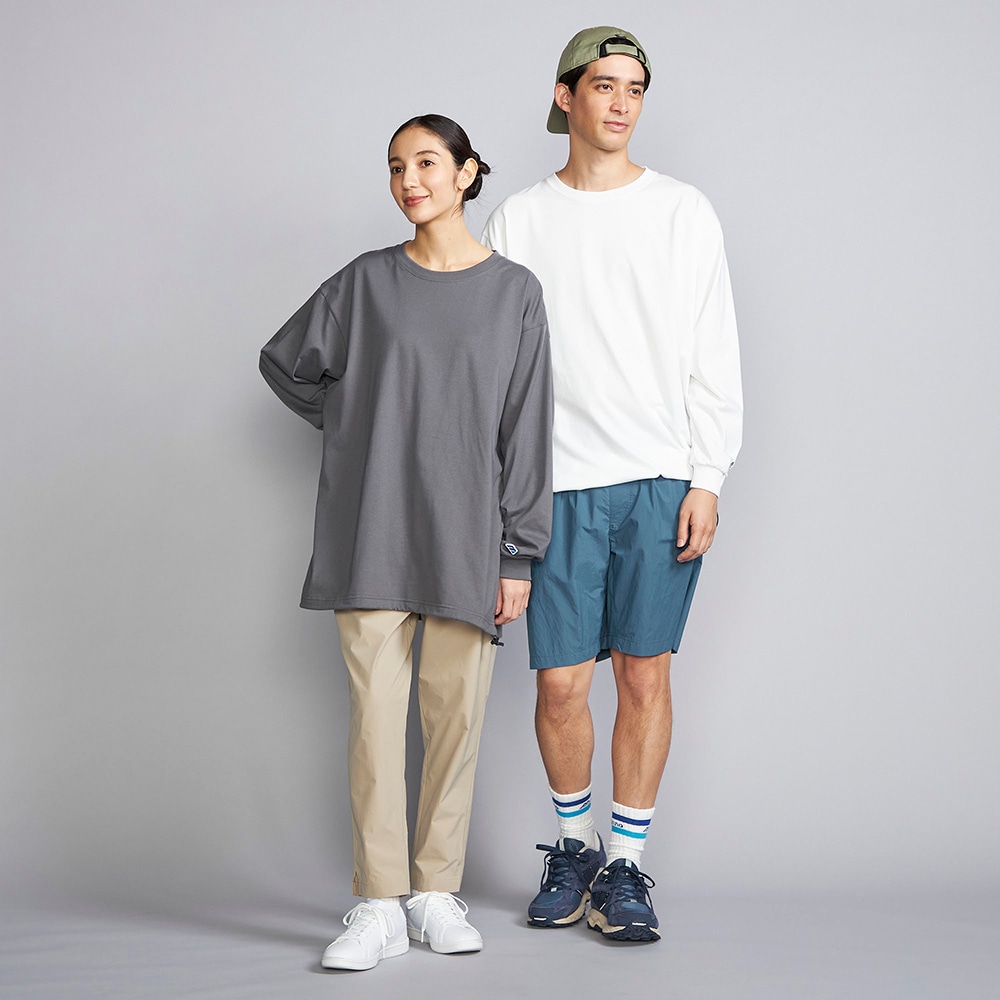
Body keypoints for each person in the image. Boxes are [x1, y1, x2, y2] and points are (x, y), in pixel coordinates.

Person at [260, 114, 552, 971]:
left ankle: (435, 892)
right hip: (372, 529)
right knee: (375, 724)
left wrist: (517, 551)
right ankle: (379, 902)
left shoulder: (514, 293)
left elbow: (526, 427)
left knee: (455, 721)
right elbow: (285, 362)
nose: (409, 180)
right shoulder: (364, 283)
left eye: (426, 163)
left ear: (467, 173)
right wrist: (352, 419)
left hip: (468, 535)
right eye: (395, 167)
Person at [482, 27, 743, 942]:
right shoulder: (518, 218)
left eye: (635, 87)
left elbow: (713, 347)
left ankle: (626, 866)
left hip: (661, 478)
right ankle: (574, 847)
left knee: (643, 672)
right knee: (559, 684)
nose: (622, 102)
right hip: (554, 485)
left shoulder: (682, 211)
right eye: (603, 85)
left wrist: (707, 476)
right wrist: (501, 495)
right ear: (566, 97)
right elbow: (495, 368)